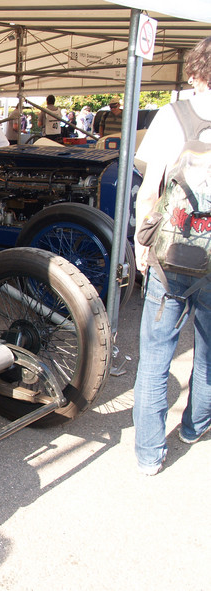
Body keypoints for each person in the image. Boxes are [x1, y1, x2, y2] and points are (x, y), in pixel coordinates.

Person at [132, 35, 211, 476]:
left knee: (156, 355)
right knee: (210, 350)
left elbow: (150, 190)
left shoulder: (172, 115)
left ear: (196, 72)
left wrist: (142, 247)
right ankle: (194, 426)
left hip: (172, 254)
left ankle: (148, 455)